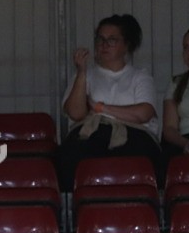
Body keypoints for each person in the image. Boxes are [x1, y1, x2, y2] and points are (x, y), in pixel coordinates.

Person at [56, 14, 163, 190]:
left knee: (144, 157)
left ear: (126, 45)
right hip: (90, 134)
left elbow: (143, 113)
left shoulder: (140, 76)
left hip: (134, 135)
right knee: (70, 155)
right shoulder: (84, 76)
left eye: (112, 40)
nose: (104, 45)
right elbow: (75, 113)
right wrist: (82, 72)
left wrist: (99, 107)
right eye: (100, 39)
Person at [162, 24, 189, 158]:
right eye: (186, 47)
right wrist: (186, 144)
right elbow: (169, 128)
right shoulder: (176, 83)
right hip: (186, 139)